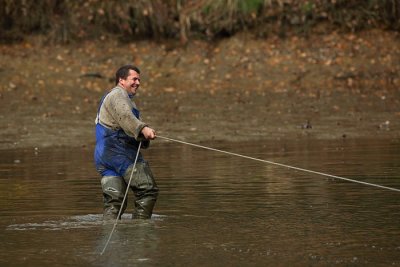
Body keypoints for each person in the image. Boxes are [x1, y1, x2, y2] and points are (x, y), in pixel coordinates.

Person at [94, 64, 158, 220]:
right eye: (134, 79)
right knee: (147, 190)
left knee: (114, 203)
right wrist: (143, 129)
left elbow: (122, 124)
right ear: (121, 80)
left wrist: (143, 138)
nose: (138, 83)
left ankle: (110, 236)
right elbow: (125, 117)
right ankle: (139, 231)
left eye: (139, 80)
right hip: (120, 154)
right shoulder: (118, 95)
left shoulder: (113, 97)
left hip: (104, 157)